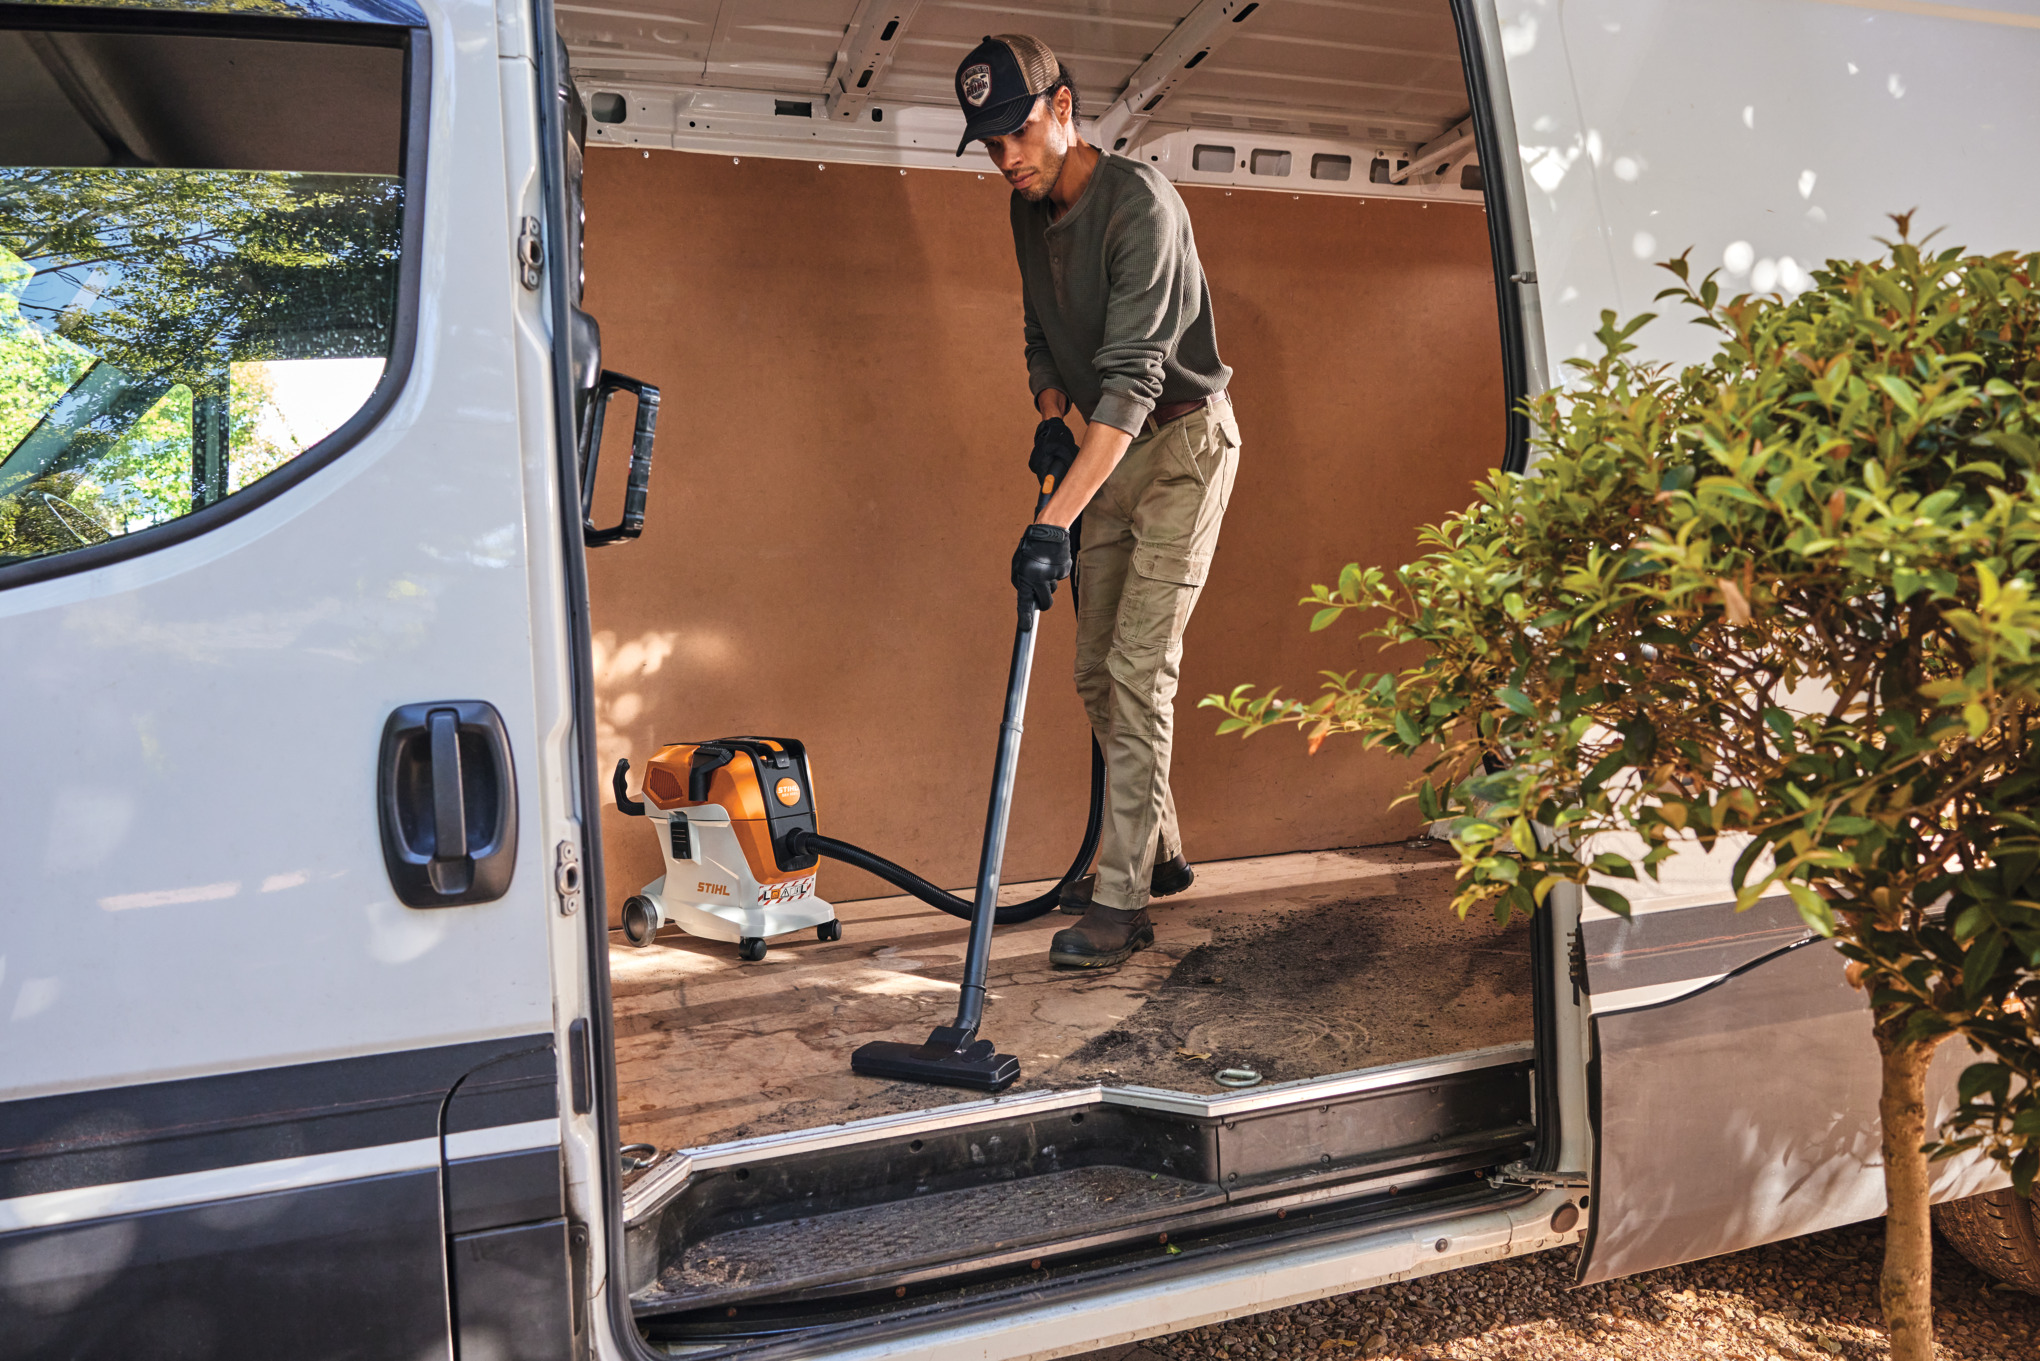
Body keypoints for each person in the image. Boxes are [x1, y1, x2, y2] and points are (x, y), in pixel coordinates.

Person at [955, 35, 1241, 968]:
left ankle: (1120, 902)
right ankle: (1153, 851)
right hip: (1104, 456)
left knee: (1137, 668)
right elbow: (1042, 331)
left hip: (1181, 450)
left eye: (1020, 133)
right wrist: (1047, 413)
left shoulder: (1140, 205)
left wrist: (1049, 522)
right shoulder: (1025, 209)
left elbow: (1129, 387)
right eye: (990, 145)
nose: (1008, 159)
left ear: (1066, 107)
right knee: (1093, 671)